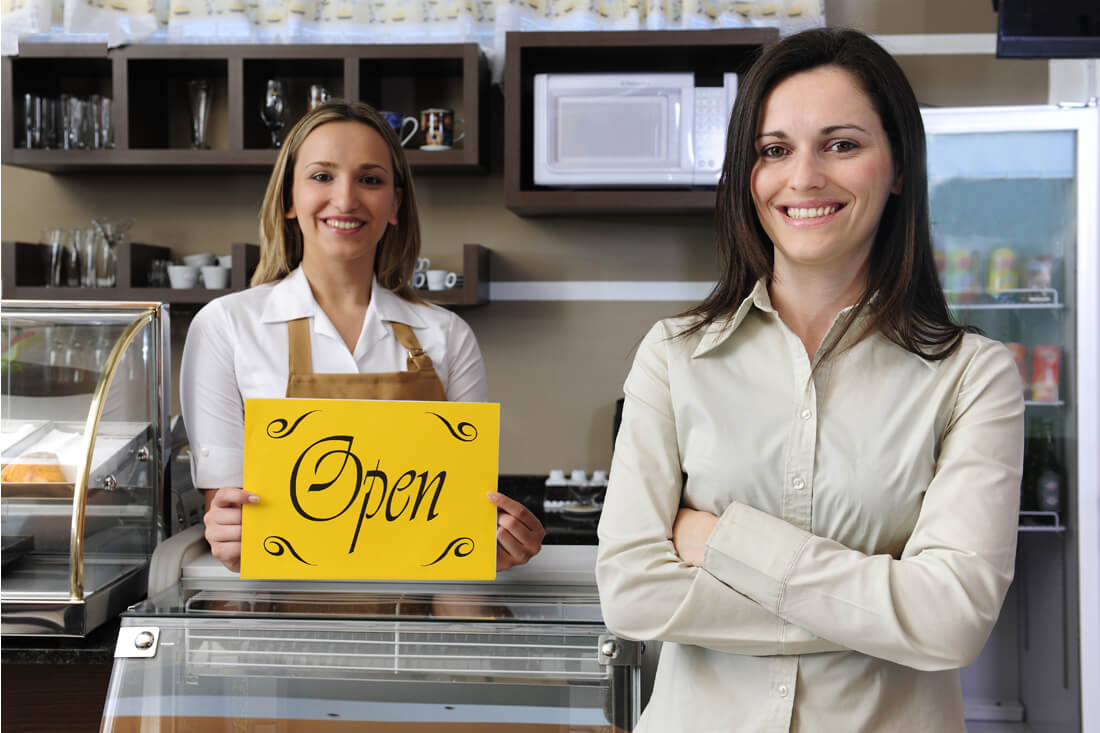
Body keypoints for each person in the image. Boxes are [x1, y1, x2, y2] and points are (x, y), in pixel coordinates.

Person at [595, 28, 1025, 732]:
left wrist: (721, 542)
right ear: (748, 173)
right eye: (774, 150)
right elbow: (633, 594)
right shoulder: (673, 356)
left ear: (897, 167)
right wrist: (884, 611)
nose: (803, 178)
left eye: (842, 144)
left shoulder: (973, 377)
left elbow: (951, 622)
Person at [181, 100, 544, 575]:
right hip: (274, 619)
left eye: (370, 179)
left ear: (395, 204)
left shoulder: (447, 336)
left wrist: (492, 543)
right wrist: (227, 530)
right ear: (289, 198)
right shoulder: (226, 325)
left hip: (411, 623)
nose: (346, 199)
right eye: (321, 176)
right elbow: (225, 507)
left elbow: (457, 512)